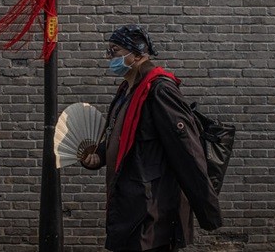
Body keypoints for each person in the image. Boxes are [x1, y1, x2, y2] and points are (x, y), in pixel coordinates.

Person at [82, 24, 222, 252]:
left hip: (151, 207)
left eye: (114, 50)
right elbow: (120, 134)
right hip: (128, 200)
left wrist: (208, 210)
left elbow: (187, 149)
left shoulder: (159, 90)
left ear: (137, 54)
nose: (109, 57)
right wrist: (99, 155)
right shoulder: (127, 90)